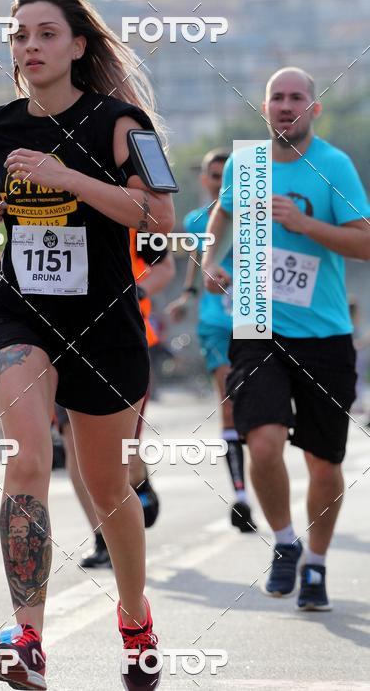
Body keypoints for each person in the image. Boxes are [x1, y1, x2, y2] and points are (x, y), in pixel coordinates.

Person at [0, 0, 175, 690]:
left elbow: (162, 222)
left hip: (105, 322)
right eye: (20, 34)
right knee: (27, 456)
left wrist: (67, 176)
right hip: (18, 311)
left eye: (46, 34)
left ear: (78, 45)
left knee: (108, 485)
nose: (30, 46)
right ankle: (27, 638)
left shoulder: (126, 124)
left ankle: (134, 615)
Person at [201, 67, 370, 611]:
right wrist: (210, 260)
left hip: (324, 334)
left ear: (313, 109)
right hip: (255, 324)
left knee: (324, 464)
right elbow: (222, 219)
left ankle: (316, 565)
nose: (287, 105)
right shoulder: (246, 165)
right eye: (277, 97)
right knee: (263, 443)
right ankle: (284, 542)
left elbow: (364, 243)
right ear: (265, 106)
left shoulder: (333, 166)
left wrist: (304, 224)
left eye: (298, 97)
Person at [58, 230, 176, 570]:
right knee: (73, 446)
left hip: (119, 339)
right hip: (59, 339)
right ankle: (102, 536)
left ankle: (138, 480)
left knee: (122, 451)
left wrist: (134, 291)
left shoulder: (128, 213)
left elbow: (165, 266)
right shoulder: (47, 203)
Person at [166, 149, 256, 533]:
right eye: (215, 176)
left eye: (228, 175)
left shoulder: (255, 213)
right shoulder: (196, 220)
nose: (222, 182)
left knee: (261, 406)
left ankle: (264, 463)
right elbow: (195, 255)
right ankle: (241, 496)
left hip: (254, 315)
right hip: (215, 321)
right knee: (229, 403)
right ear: (205, 180)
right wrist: (188, 294)